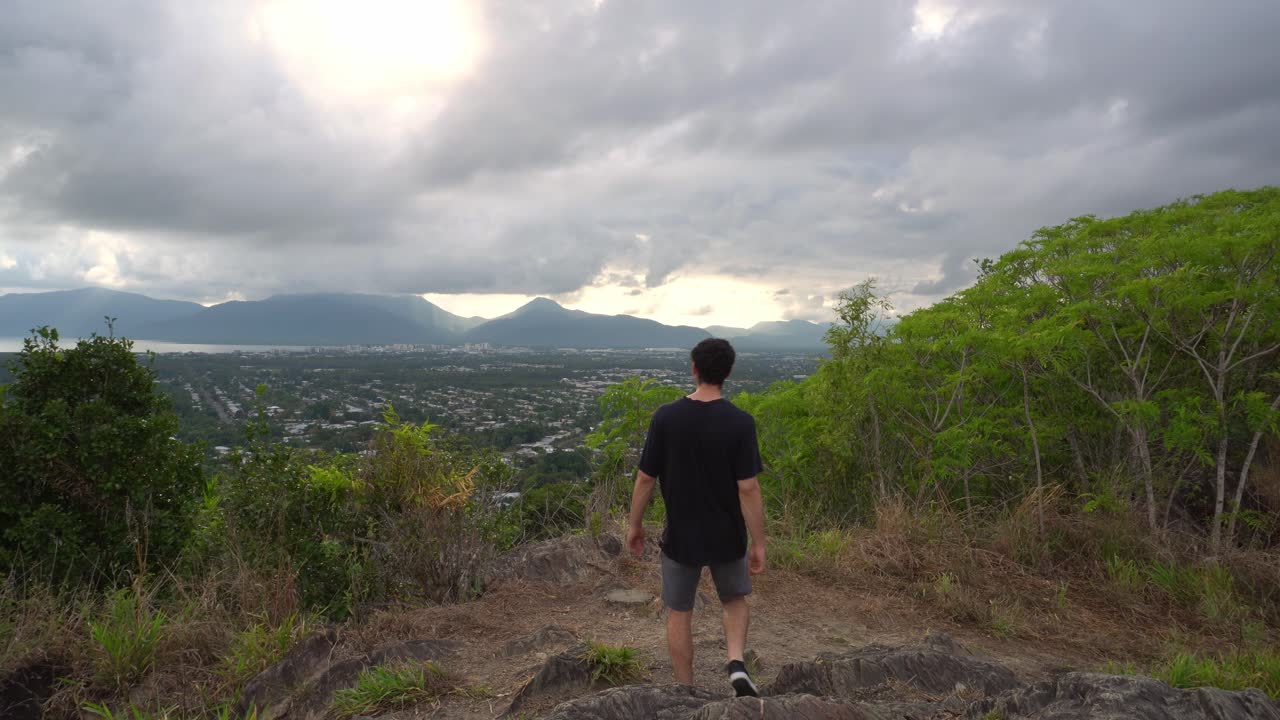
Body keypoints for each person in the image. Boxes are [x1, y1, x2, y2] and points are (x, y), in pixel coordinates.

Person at [625, 337, 767, 697]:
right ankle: (736, 664)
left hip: (681, 535)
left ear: (694, 369)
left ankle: (685, 689)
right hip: (728, 532)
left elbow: (645, 478)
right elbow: (748, 488)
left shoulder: (666, 417)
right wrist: (759, 542)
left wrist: (635, 525)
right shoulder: (740, 422)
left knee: (678, 611)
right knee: (734, 601)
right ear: (728, 372)